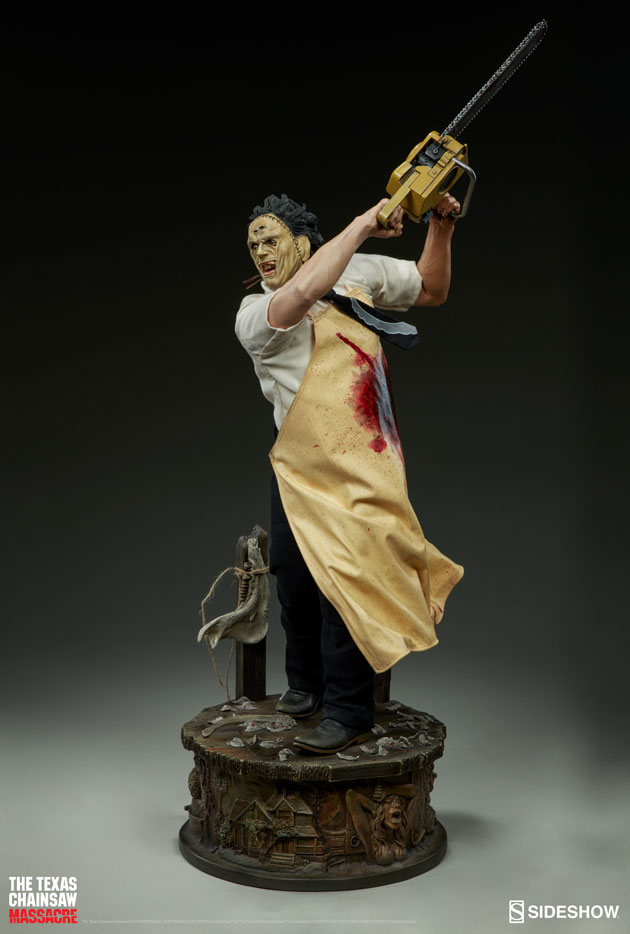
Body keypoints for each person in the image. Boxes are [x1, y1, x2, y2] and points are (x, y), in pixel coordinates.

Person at [235, 193, 464, 755]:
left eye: (271, 239)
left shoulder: (353, 273)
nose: (261, 252)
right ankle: (305, 684)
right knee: (293, 579)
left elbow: (430, 288)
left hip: (364, 463)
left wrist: (440, 226)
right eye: (253, 243)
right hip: (299, 465)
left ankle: (348, 710)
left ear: (302, 242)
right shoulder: (255, 312)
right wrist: (364, 222)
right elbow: (302, 294)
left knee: (345, 583)